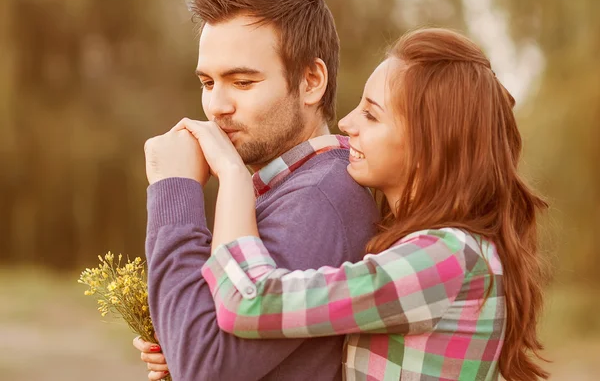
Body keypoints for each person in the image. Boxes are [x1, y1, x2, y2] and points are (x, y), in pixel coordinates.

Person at [176, 28, 550, 380]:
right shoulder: (427, 250)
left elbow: (249, 303)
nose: (348, 122)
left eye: (372, 114)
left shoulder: (444, 258)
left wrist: (233, 175)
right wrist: (182, 341)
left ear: (429, 145)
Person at [137, 0, 379, 381]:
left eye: (242, 82)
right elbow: (203, 347)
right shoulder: (288, 187)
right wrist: (175, 337)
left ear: (310, 80)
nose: (216, 107)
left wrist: (172, 190)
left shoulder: (319, 197)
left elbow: (204, 367)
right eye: (208, 83)